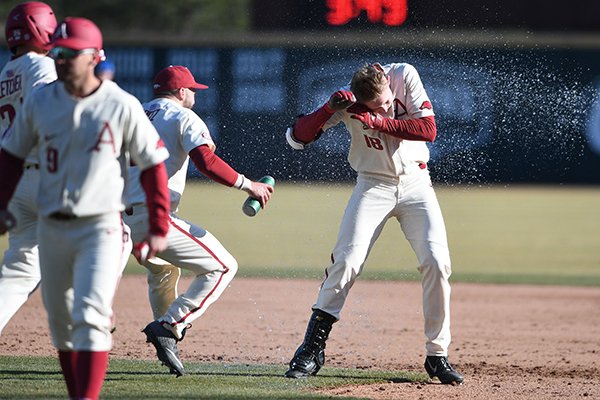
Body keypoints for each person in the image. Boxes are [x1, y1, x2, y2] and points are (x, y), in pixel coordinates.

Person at [0, 17, 170, 400]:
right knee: (61, 325)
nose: (61, 60)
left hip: (100, 228)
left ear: (95, 57)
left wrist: (158, 224)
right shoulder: (42, 100)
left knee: (91, 317)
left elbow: (153, 164)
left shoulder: (121, 104)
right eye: (57, 52)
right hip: (50, 226)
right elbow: (10, 156)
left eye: (71, 53)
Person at [283, 62, 464, 385]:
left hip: (416, 184)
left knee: (437, 262)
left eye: (386, 101)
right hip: (372, 185)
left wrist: (378, 121)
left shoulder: (404, 75)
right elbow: (297, 138)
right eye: (376, 105)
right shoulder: (347, 100)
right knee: (347, 260)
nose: (385, 107)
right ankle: (312, 349)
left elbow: (428, 130)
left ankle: (437, 355)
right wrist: (328, 109)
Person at [124, 65, 274, 377]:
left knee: (164, 269)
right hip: (151, 217)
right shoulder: (183, 116)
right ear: (181, 92)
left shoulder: (133, 112)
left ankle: (164, 334)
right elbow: (206, 162)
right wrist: (250, 185)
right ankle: (169, 326)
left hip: (115, 218)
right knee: (223, 266)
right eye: (192, 89)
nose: (194, 94)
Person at [0, 1, 57, 336]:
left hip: (15, 179)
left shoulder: (5, 73)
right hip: (45, 175)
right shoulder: (40, 66)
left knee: (21, 269)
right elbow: (49, 109)